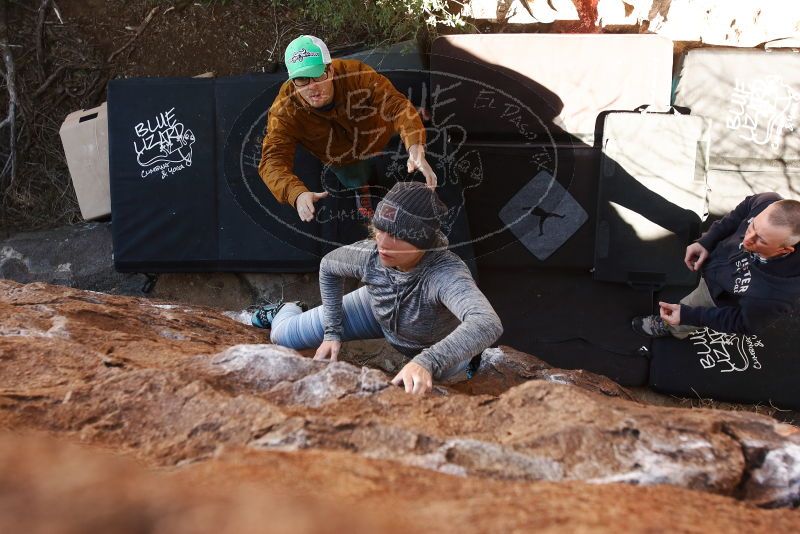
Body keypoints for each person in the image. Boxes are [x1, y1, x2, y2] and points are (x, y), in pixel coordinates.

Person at [251, 181, 503, 395]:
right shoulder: (371, 253)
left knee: (443, 378)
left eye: (395, 235)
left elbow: (487, 322)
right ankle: (287, 308)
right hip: (374, 309)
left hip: (431, 341)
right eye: (379, 230)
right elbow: (328, 265)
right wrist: (331, 331)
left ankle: (471, 357)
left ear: (421, 241)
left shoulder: (445, 272)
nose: (382, 242)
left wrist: (429, 360)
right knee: (282, 336)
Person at [258, 35, 437, 222]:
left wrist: (415, 144)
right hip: (342, 157)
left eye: (318, 75)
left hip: (375, 131)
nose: (312, 87)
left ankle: (413, 121)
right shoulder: (284, 110)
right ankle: (361, 189)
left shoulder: (356, 74)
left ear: (331, 69)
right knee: (355, 178)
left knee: (401, 122)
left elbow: (395, 104)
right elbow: (272, 160)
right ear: (292, 80)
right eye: (302, 80)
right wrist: (295, 193)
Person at [632, 192, 800, 338]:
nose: (747, 240)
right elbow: (739, 213)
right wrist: (708, 241)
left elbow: (744, 323)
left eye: (761, 240)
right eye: (752, 226)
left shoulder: (776, 295)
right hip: (715, 262)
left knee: (690, 307)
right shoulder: (766, 201)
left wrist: (689, 316)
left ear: (785, 250)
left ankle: (670, 326)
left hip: (717, 296)